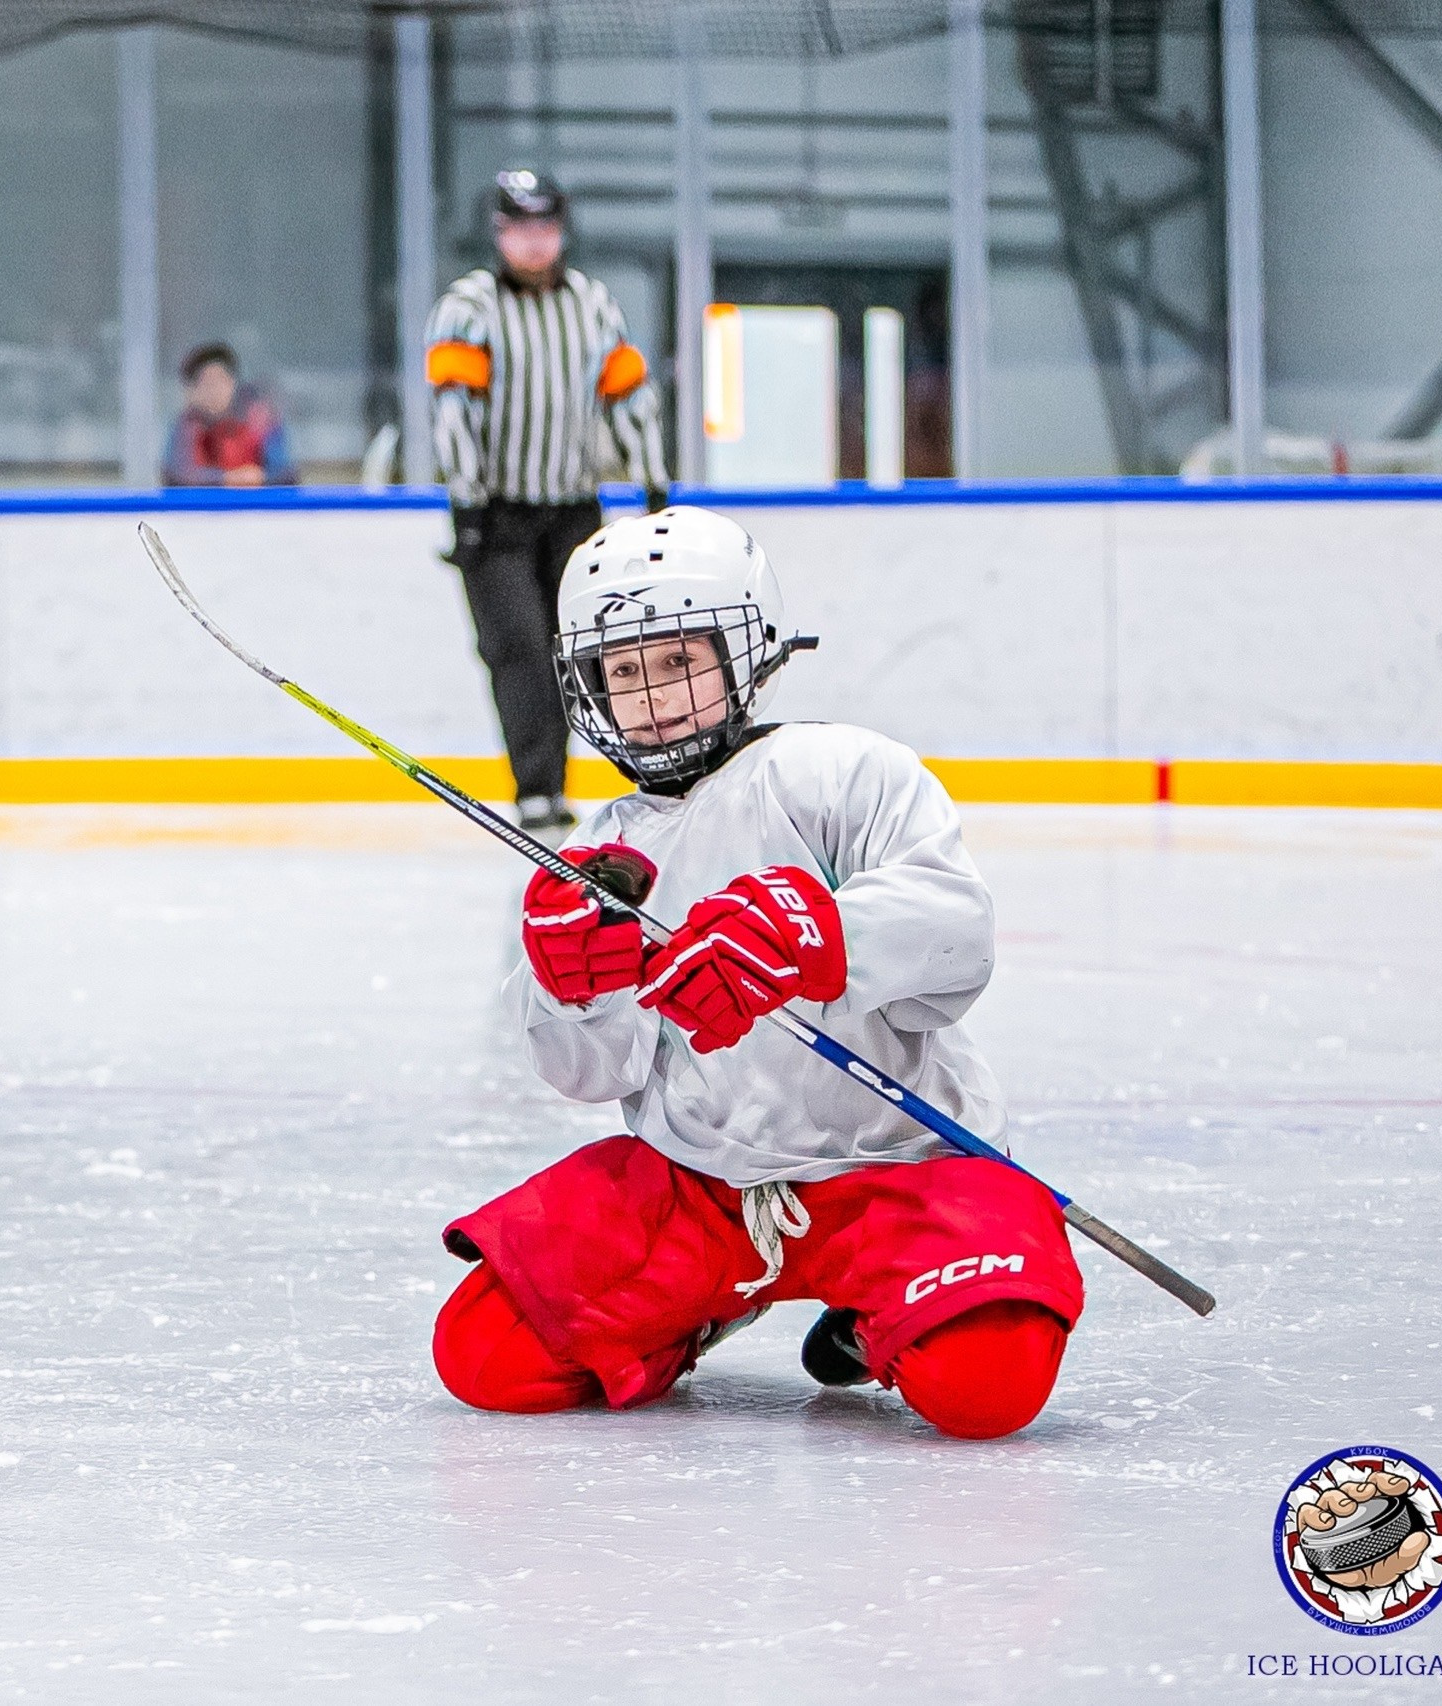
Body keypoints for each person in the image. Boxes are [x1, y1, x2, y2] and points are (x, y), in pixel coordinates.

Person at [431, 506, 1084, 1441]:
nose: (652, 697)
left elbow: (960, 940)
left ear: (746, 652)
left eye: (678, 661)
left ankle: (872, 1322)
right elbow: (591, 1076)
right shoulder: (600, 853)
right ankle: (701, 1307)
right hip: (701, 1189)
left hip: (892, 1169)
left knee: (990, 1381)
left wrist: (818, 937)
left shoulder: (845, 771)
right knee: (487, 1352)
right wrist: (573, 988)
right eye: (623, 672)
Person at [427, 168, 673, 836]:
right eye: (519, 230)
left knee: (586, 649)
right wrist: (467, 502)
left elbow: (628, 395)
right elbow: (454, 412)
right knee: (519, 650)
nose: (534, 245)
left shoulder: (592, 303)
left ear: (561, 232)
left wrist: (653, 484)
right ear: (499, 234)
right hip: (498, 514)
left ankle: (647, 771)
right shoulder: (469, 305)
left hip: (573, 509)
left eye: (545, 229)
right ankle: (538, 787)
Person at [162, 344, 296, 487]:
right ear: (193, 391)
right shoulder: (186, 427)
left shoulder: (260, 420)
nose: (215, 391)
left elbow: (286, 472)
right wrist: (226, 479)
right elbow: (179, 473)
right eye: (206, 383)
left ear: (232, 383)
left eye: (221, 380)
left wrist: (259, 477)